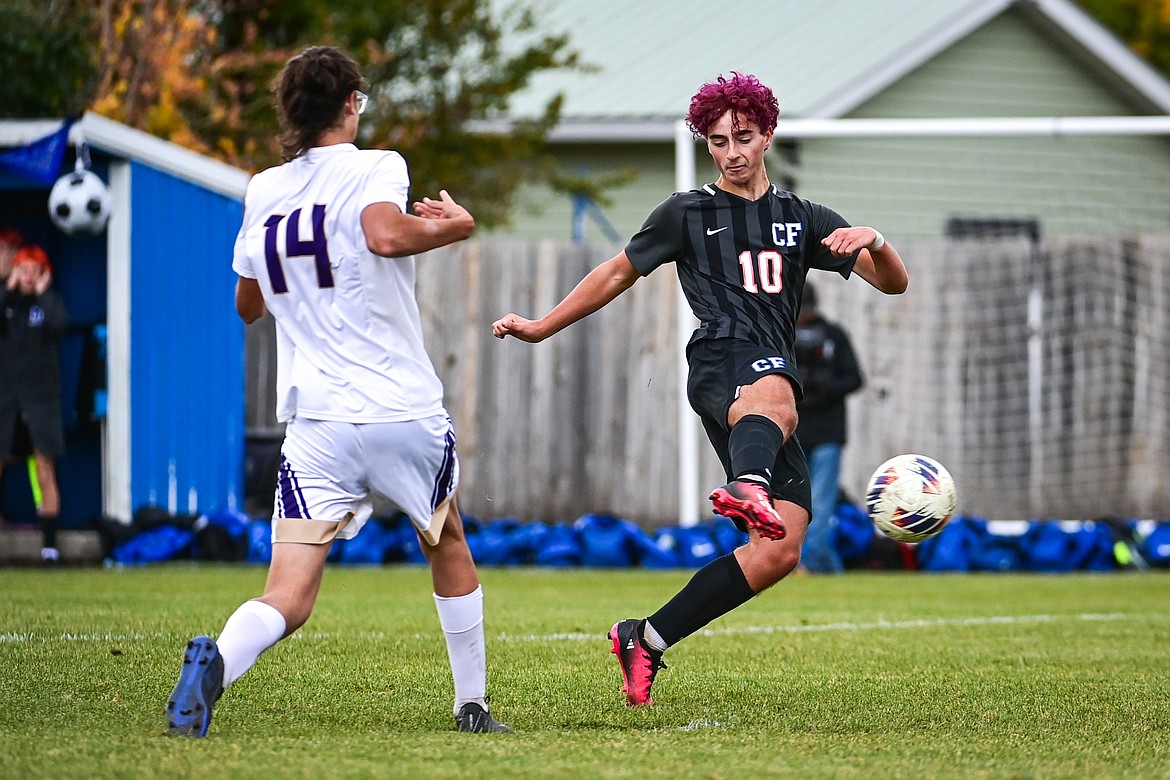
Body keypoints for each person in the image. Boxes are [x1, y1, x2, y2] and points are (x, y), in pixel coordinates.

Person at [492, 72, 908, 706]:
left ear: (767, 134)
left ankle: (646, 639)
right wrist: (543, 326)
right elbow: (614, 273)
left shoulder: (803, 218)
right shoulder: (685, 213)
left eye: (743, 137)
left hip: (766, 380)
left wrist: (874, 238)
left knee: (780, 551)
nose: (731, 151)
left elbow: (893, 284)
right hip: (722, 358)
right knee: (778, 391)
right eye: (718, 141)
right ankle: (750, 486)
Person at [166, 45, 510, 737]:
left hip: (316, 422)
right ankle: (471, 705)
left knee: (288, 593)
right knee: (446, 543)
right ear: (350, 103)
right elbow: (383, 235)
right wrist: (456, 226)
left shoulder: (263, 187)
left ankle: (216, 666)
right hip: (398, 411)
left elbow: (248, 303)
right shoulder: (377, 165)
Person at [0, 244, 69, 564]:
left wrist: (43, 293)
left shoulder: (48, 305)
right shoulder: (7, 304)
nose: (28, 277)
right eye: (22, 270)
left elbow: (60, 325)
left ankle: (50, 548)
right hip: (7, 401)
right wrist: (8, 287)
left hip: (40, 402)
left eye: (34, 271)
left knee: (44, 470)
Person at [793, 282, 863, 574]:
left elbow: (855, 378)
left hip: (827, 433)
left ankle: (816, 564)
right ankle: (806, 564)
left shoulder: (834, 336)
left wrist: (823, 385)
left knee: (821, 506)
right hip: (792, 432)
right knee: (792, 505)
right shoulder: (782, 336)